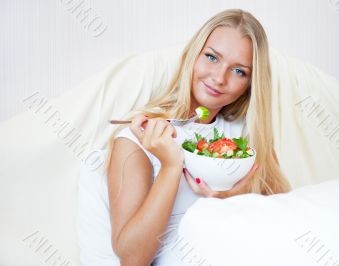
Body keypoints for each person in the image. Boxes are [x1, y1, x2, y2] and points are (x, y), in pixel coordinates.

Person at [105, 9, 291, 265]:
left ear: (250, 84)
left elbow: (286, 218)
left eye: (239, 71)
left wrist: (238, 199)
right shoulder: (138, 139)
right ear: (193, 55)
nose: (219, 78)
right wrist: (171, 167)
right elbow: (132, 258)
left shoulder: (247, 136)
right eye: (212, 57)